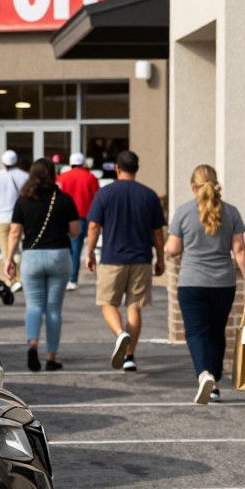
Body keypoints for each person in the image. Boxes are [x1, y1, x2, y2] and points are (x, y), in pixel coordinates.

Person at [164, 164, 245, 404]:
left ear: (193, 187)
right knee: (216, 333)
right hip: (223, 283)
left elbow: (172, 249)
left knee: (196, 332)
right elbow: (240, 250)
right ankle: (213, 385)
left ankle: (204, 374)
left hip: (192, 282)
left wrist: (167, 249)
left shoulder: (183, 212)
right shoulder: (231, 212)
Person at [84, 150, 165, 371]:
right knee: (134, 307)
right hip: (141, 258)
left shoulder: (105, 193)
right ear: (136, 168)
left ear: (117, 168)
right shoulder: (149, 195)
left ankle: (121, 334)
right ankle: (130, 356)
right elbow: (158, 232)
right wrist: (161, 257)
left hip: (112, 258)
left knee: (108, 303)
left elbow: (93, 226)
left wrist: (89, 252)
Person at [6, 158, 80, 372]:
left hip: (32, 256)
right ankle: (51, 356)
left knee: (34, 305)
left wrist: (10, 259)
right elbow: (75, 232)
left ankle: (32, 344)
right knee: (54, 309)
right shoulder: (64, 200)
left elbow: (14, 232)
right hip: (59, 255)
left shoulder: (23, 201)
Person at [0, 150, 29, 292]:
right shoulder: (25, 176)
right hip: (21, 218)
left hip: (2, 218)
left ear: (3, 162)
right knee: (19, 248)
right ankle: (20, 279)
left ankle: (11, 279)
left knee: (6, 250)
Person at [58, 151, 100, 291]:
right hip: (82, 217)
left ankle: (62, 277)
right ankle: (72, 279)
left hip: (62, 217)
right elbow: (97, 199)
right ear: (83, 163)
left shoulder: (61, 178)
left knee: (63, 248)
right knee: (76, 249)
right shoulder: (90, 178)